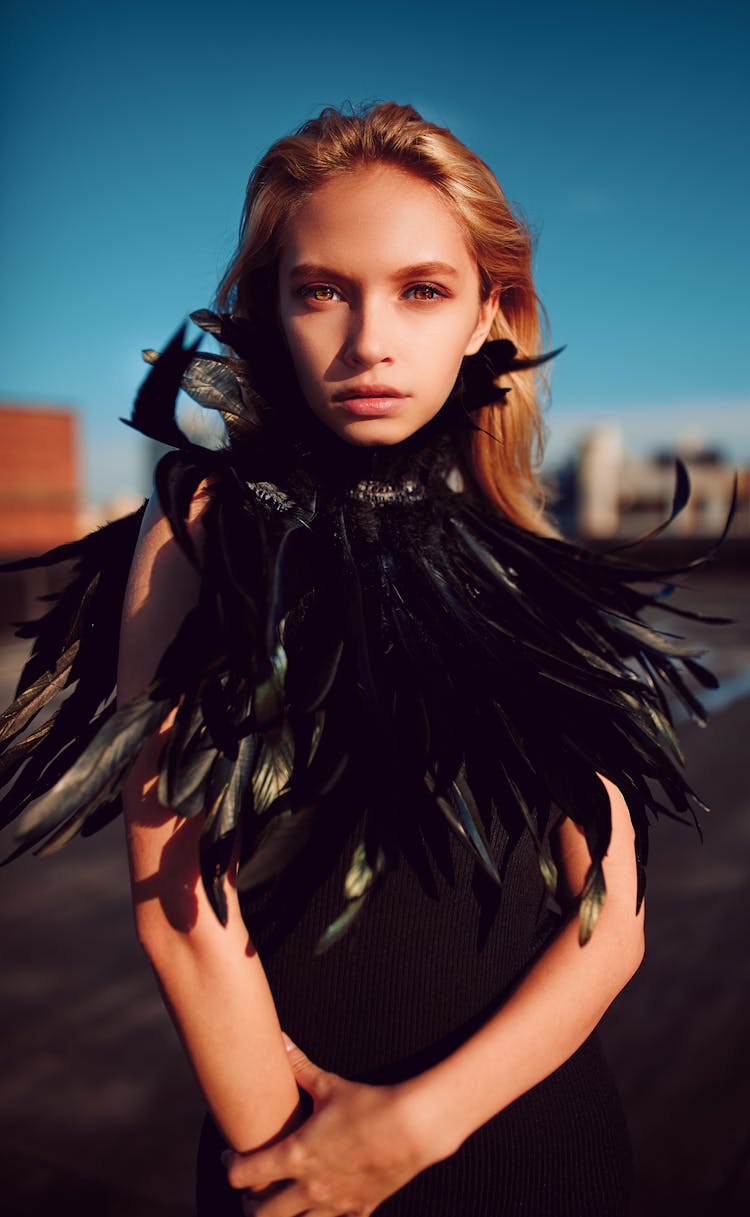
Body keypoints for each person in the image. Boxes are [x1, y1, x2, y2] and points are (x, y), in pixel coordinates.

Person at [0, 102, 720, 1216]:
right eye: (322, 289)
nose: (368, 340)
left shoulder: (537, 571)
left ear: (491, 315)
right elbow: (178, 902)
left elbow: (611, 918)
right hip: (286, 1150)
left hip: (539, 1143)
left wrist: (408, 1132)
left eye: (421, 290)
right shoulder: (204, 522)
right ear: (272, 314)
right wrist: (307, 1173)